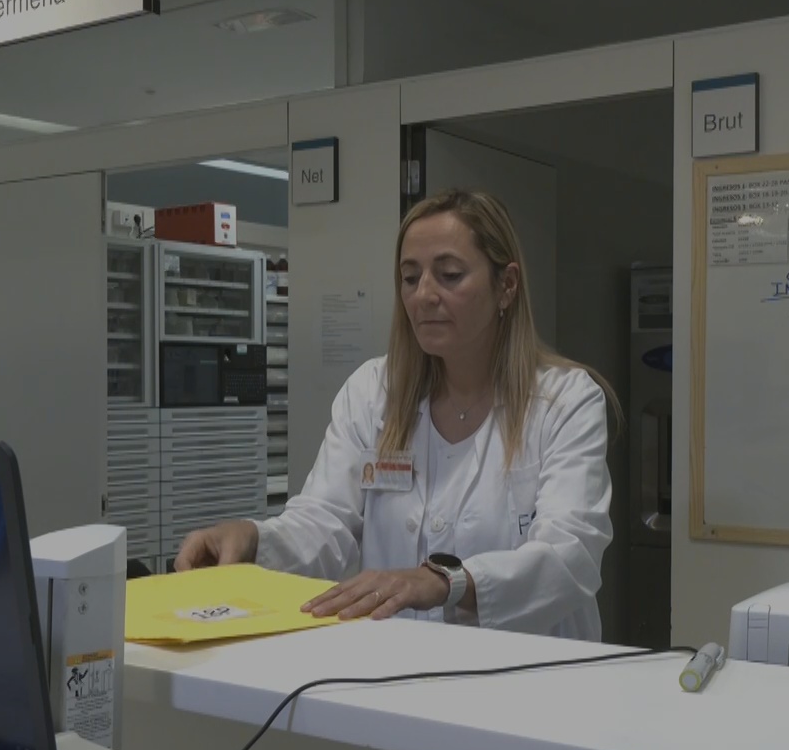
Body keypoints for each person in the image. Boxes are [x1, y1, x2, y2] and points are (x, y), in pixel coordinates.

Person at [174, 189, 618, 640]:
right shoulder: (373, 392)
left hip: (532, 670)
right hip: (397, 664)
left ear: (506, 285)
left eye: (449, 275)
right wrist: (254, 539)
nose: (424, 294)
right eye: (410, 277)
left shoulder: (565, 401)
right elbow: (326, 524)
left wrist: (446, 582)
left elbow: (570, 554)